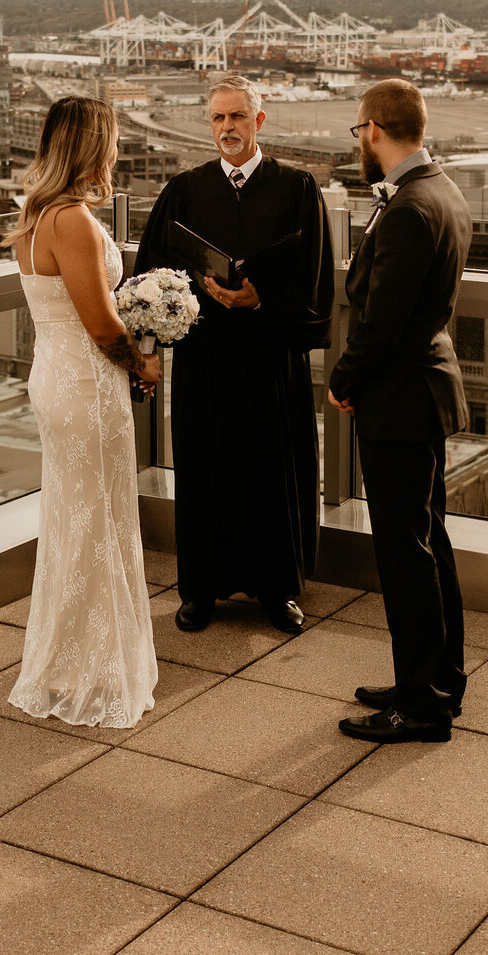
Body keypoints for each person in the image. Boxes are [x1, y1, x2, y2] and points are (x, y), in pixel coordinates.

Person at [131, 75, 335, 635]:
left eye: (238, 116)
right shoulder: (184, 191)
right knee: (204, 471)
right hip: (206, 361)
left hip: (270, 359)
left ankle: (279, 590)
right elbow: (151, 275)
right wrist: (155, 338)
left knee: (272, 471)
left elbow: (315, 278)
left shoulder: (297, 189)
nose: (228, 128)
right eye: (219, 118)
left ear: (259, 121)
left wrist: (259, 298)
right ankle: (200, 590)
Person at [5, 96, 163, 728]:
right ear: (93, 147)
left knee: (77, 519)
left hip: (57, 374)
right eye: (112, 141)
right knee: (96, 522)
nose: (117, 152)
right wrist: (142, 363)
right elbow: (100, 324)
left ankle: (68, 663)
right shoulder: (70, 220)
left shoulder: (36, 213)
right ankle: (90, 673)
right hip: (85, 387)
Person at [327, 78, 472, 743]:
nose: (360, 142)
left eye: (359, 130)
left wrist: (343, 378)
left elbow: (381, 322)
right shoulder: (442, 191)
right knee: (427, 541)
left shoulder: (410, 207)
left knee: (405, 554)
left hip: (400, 397)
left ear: (375, 130)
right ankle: (438, 679)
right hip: (422, 391)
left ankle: (420, 704)